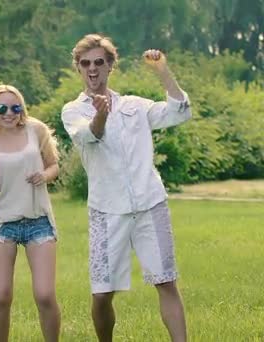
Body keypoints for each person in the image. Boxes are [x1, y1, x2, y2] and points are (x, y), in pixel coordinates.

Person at [61, 34, 191, 342]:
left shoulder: (135, 105)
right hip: (107, 211)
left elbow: (179, 112)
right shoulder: (72, 110)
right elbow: (88, 136)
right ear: (79, 68)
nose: (92, 69)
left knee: (166, 282)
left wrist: (162, 71)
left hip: (150, 205)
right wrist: (101, 116)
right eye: (85, 64)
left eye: (99, 63)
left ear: (110, 67)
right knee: (103, 293)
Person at [0, 84, 61, 342]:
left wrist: (44, 175)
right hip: (3, 225)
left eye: (15, 107)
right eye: (2, 108)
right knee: (1, 295)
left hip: (39, 221)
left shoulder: (35, 130)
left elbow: (53, 165)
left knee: (45, 295)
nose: (9, 113)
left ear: (22, 108)